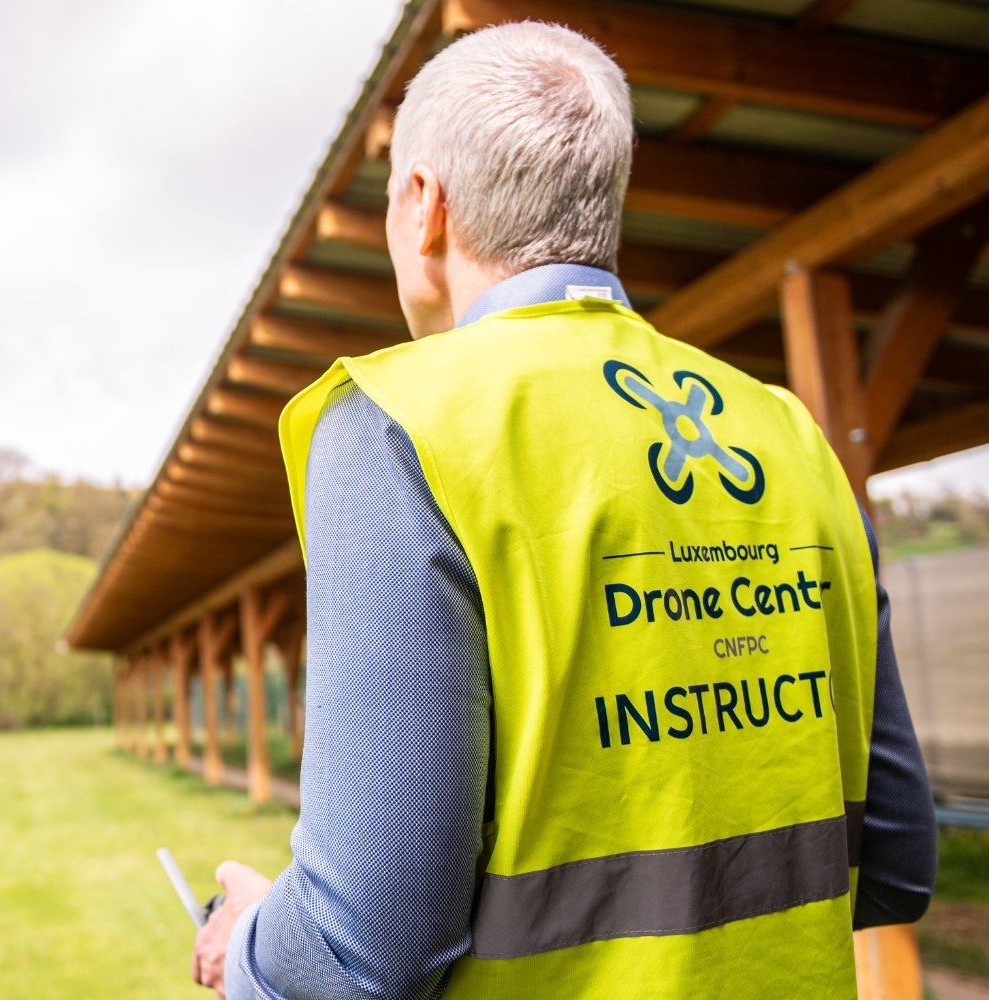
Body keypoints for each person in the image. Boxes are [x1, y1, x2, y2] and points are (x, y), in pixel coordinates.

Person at [191, 21, 936, 999]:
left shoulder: (395, 426)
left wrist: (247, 942)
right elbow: (889, 857)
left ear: (421, 206)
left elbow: (356, 950)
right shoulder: (788, 435)